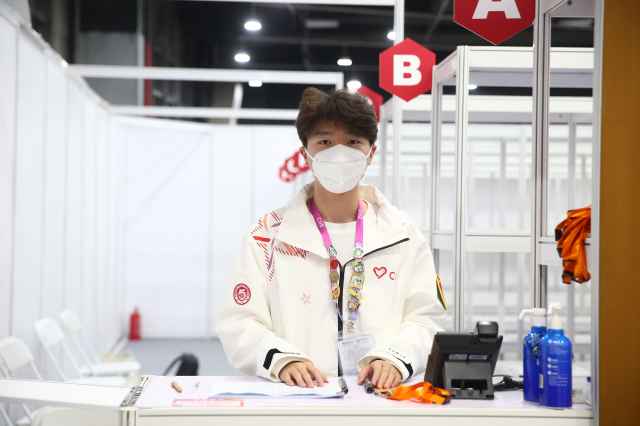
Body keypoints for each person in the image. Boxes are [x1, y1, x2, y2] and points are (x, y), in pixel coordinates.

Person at [216, 87, 447, 390]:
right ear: (306, 154)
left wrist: (395, 358)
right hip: (296, 398)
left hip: (380, 400)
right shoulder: (267, 236)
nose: (339, 154)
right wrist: (282, 360)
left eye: (353, 142)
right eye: (325, 142)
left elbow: (426, 318)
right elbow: (239, 320)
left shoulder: (403, 235)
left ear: (371, 153)